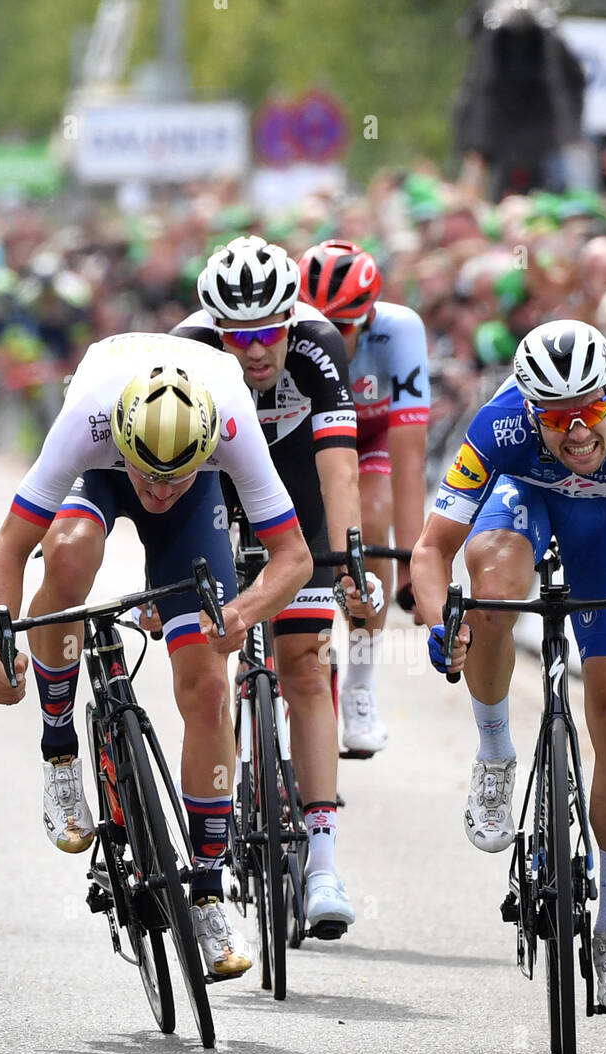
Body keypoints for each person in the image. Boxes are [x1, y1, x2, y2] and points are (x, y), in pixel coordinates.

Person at [411, 320, 606, 1012]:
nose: (577, 432)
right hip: (522, 500)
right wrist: (446, 619)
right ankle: (495, 752)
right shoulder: (500, 426)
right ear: (531, 411)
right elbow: (431, 550)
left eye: (589, 412)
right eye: (556, 419)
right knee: (491, 582)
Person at [0, 331, 313, 979]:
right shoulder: (91, 420)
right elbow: (7, 550)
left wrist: (241, 613)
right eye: (151, 474)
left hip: (198, 508)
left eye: (175, 475)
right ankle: (58, 749)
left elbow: (293, 558)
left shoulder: (232, 424)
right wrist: (2, 647)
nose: (159, 489)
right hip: (100, 477)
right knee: (71, 549)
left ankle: (209, 890)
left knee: (210, 690)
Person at [173, 235, 383, 937]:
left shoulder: (321, 345)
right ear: (216, 329)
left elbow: (341, 469)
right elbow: (168, 470)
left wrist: (350, 561)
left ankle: (323, 863)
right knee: (206, 659)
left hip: (296, 489)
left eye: (269, 333)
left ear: (289, 321)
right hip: (210, 484)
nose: (257, 350)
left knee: (303, 665)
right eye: (240, 336)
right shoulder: (188, 349)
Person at [298, 239, 430, 754]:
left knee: (369, 527)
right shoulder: (287, 332)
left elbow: (411, 460)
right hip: (304, 440)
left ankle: (359, 683)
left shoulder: (401, 331)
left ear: (369, 314)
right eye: (319, 324)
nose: (331, 337)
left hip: (368, 439)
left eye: (344, 327)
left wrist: (418, 561)